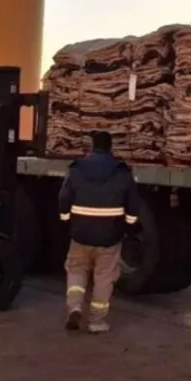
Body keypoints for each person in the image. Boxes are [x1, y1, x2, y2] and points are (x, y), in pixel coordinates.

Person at [58, 131, 141, 334]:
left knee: (76, 270)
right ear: (110, 147)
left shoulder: (76, 169)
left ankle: (75, 308)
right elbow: (133, 204)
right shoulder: (122, 172)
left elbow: (64, 197)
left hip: (80, 234)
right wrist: (129, 225)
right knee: (104, 277)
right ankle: (97, 321)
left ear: (92, 146)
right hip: (109, 237)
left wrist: (66, 220)